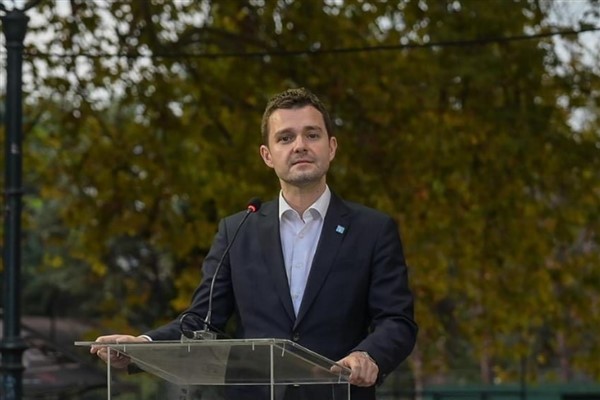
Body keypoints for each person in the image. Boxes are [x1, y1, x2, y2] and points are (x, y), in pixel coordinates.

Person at [91, 88, 418, 400]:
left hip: (339, 393)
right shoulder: (237, 230)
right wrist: (142, 346)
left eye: (312, 135)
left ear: (331, 147)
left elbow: (397, 320)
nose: (300, 146)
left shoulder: (373, 230)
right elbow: (202, 321)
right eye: (285, 138)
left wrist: (368, 355)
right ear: (267, 155)